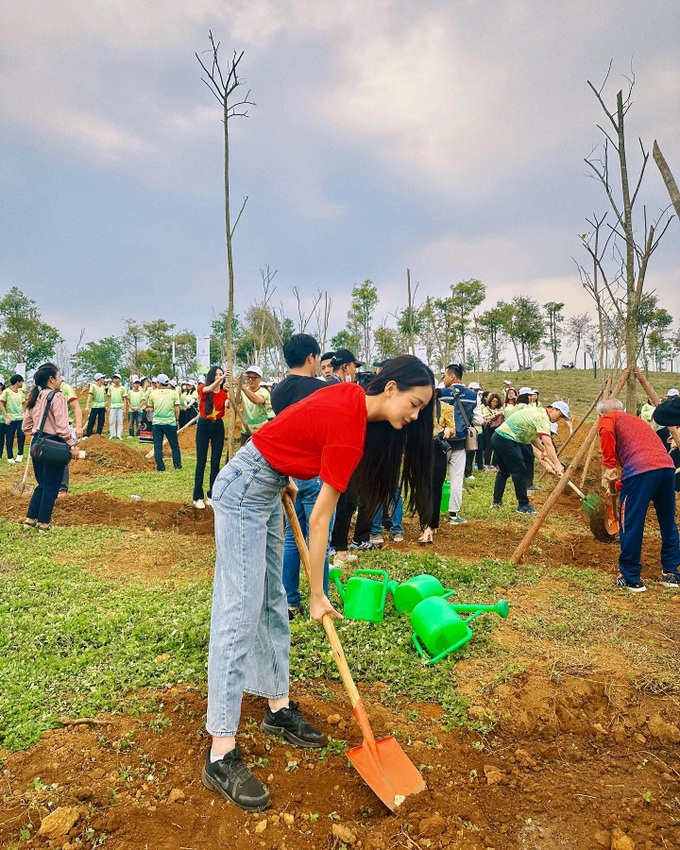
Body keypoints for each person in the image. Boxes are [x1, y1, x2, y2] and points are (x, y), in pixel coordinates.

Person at [202, 355, 435, 811]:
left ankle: (276, 708)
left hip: (267, 482)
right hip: (247, 487)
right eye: (414, 403)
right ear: (390, 389)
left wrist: (282, 467)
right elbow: (321, 518)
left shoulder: (348, 395)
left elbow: (289, 423)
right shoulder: (351, 424)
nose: (415, 415)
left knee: (270, 604)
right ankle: (220, 752)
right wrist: (316, 594)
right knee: (240, 611)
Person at [270, 334, 332, 619]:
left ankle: (291, 601)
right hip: (316, 470)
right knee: (320, 537)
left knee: (293, 538)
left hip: (292, 475)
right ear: (311, 357)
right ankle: (321, 600)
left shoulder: (278, 391)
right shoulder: (319, 389)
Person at [598, 399, 680, 592]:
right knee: (668, 523)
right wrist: (619, 484)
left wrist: (609, 466)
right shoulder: (637, 423)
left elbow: (606, 432)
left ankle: (630, 577)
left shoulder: (608, 418)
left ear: (602, 414)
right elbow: (642, 454)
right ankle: (671, 574)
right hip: (666, 469)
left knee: (630, 523)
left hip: (640, 471)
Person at [21, 363, 79, 531]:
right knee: (52, 485)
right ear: (51, 379)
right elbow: (62, 427)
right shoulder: (57, 397)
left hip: (37, 444)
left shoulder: (34, 397)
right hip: (54, 445)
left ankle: (30, 519)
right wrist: (72, 445)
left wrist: (38, 432)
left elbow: (26, 427)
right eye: (59, 377)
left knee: (43, 484)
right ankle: (44, 523)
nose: (60, 380)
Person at [491, 401, 569, 513]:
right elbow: (548, 444)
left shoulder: (538, 413)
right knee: (520, 470)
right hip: (507, 439)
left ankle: (496, 502)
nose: (559, 419)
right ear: (553, 409)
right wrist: (557, 464)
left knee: (504, 472)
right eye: (560, 415)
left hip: (498, 437)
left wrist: (543, 451)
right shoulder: (543, 418)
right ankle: (523, 505)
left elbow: (532, 437)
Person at [440, 364, 483, 525]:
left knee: (436, 477)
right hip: (459, 443)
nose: (443, 378)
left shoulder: (440, 393)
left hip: (441, 442)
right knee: (457, 479)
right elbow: (479, 420)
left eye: (444, 375)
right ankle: (453, 514)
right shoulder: (473, 396)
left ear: (452, 376)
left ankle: (432, 511)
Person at [193, 366, 229, 509]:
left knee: (215, 462)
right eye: (216, 375)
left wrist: (231, 395)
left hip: (218, 427)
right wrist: (221, 379)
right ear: (211, 377)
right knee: (201, 461)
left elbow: (228, 404)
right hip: (203, 426)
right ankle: (197, 496)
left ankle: (212, 495)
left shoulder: (224, 393)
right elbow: (207, 390)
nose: (219, 377)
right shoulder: (203, 388)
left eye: (221, 375)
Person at [146, 373, 181, 472]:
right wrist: (177, 419)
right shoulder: (174, 393)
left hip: (157, 423)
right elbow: (177, 409)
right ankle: (177, 465)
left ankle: (160, 467)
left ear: (159, 383)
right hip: (170, 423)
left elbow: (150, 410)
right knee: (174, 445)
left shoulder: (153, 394)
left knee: (157, 446)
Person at [57, 378, 83, 498]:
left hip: (64, 427)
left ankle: (62, 488)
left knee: (62, 456)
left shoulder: (65, 388)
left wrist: (78, 427)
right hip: (47, 429)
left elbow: (76, 408)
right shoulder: (42, 390)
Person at [234, 365, 273, 445]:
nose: (250, 380)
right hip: (246, 430)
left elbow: (257, 400)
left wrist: (242, 387)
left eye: (254, 378)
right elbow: (234, 402)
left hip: (261, 430)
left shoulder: (263, 392)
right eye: (248, 377)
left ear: (260, 379)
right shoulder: (242, 392)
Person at [1, 374, 26, 463]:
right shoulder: (6, 392)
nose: (23, 383)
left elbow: (23, 404)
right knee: (9, 437)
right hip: (10, 418)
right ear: (17, 382)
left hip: (20, 418)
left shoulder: (21, 393)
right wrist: (6, 416)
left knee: (21, 435)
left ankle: (20, 454)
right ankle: (10, 457)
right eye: (22, 381)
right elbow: (1, 404)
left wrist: (24, 413)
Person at [107, 373, 127, 440]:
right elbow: (109, 398)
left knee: (120, 421)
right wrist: (108, 406)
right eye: (114, 378)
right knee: (112, 421)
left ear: (119, 379)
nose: (115, 380)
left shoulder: (123, 388)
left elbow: (124, 398)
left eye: (117, 378)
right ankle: (112, 434)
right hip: (113, 406)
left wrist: (124, 408)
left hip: (120, 407)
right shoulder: (110, 388)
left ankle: (119, 434)